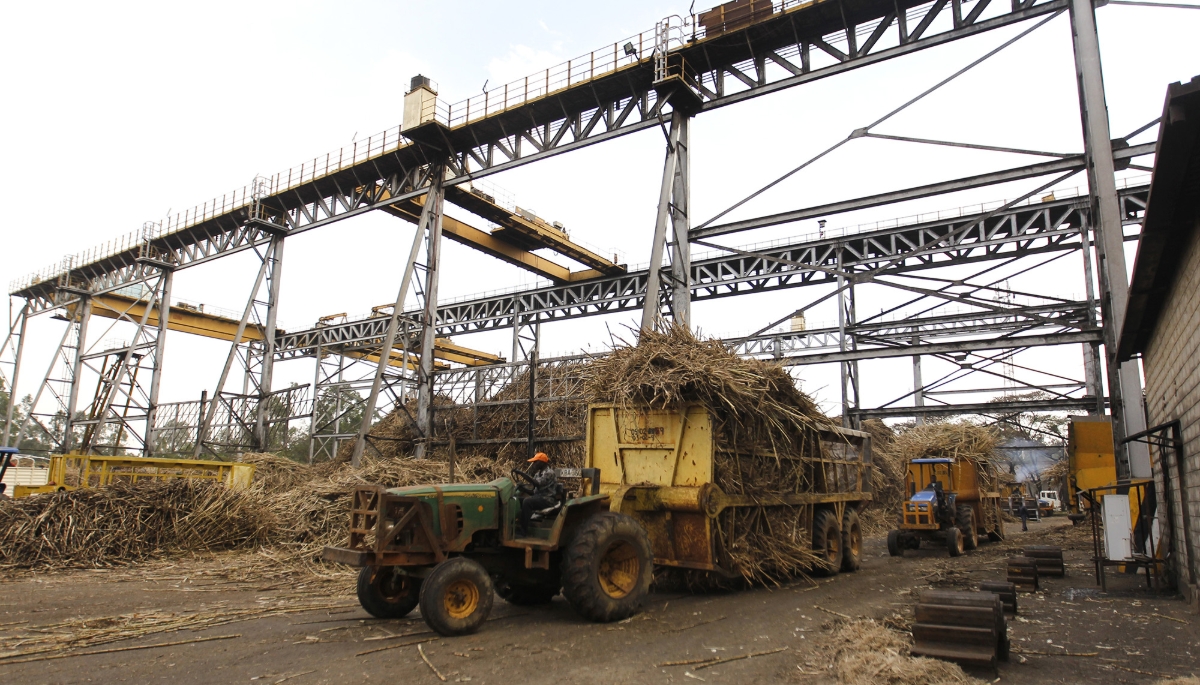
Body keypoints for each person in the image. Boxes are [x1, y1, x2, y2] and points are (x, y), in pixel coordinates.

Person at [517, 452, 561, 537]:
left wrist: (524, 475)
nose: (533, 464)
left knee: (527, 502)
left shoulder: (549, 473)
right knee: (517, 500)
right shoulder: (538, 474)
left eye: (535, 462)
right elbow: (534, 491)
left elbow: (537, 483)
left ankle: (523, 532)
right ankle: (517, 525)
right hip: (539, 498)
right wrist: (522, 488)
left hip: (548, 500)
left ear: (541, 462)